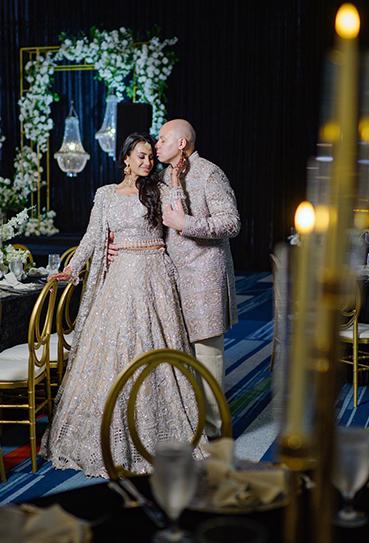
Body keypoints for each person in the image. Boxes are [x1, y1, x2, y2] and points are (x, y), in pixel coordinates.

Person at [40, 133, 204, 478]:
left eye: (150, 158)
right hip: (121, 277)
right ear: (126, 158)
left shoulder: (157, 190)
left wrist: (173, 181)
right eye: (141, 157)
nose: (147, 163)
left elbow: (178, 216)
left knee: (155, 345)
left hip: (155, 275)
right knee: (113, 347)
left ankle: (159, 429)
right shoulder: (105, 195)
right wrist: (73, 268)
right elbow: (93, 236)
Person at [112, 119, 240, 439]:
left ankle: (214, 430)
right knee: (180, 354)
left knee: (208, 356)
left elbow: (231, 223)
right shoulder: (161, 177)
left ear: (181, 143)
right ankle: (189, 421)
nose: (156, 145)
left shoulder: (209, 173)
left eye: (162, 139)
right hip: (168, 278)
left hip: (204, 277)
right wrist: (118, 245)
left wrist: (186, 223)